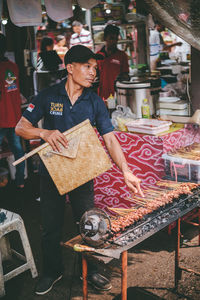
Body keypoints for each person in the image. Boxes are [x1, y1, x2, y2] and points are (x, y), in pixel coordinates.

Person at [15, 45, 143, 295]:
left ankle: (92, 270)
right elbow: (21, 127)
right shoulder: (48, 96)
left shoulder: (95, 102)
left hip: (83, 172)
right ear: (70, 68)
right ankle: (53, 271)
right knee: (50, 227)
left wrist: (126, 171)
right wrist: (44, 132)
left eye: (95, 68)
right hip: (52, 173)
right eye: (87, 66)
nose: (93, 72)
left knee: (90, 225)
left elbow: (110, 139)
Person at [0, 33, 25, 188]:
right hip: (14, 117)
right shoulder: (13, 66)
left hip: (1, 118)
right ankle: (21, 181)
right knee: (18, 151)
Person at [97, 24, 129, 100]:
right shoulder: (98, 56)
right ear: (105, 38)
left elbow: (126, 76)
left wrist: (121, 78)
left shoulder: (122, 55)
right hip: (102, 97)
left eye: (115, 39)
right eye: (111, 38)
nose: (114, 41)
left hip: (118, 96)